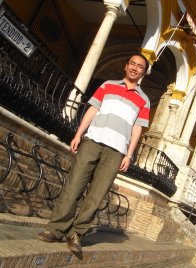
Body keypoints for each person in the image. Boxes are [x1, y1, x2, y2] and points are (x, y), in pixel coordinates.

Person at [38, 53, 150, 253]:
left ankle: (76, 234)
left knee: (96, 196)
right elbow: (92, 110)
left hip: (116, 151)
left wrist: (129, 155)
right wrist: (78, 134)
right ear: (126, 66)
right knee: (73, 186)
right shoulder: (108, 85)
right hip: (92, 141)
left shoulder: (144, 100)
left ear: (143, 72)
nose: (134, 68)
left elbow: (137, 128)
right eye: (132, 63)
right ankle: (55, 229)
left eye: (139, 66)